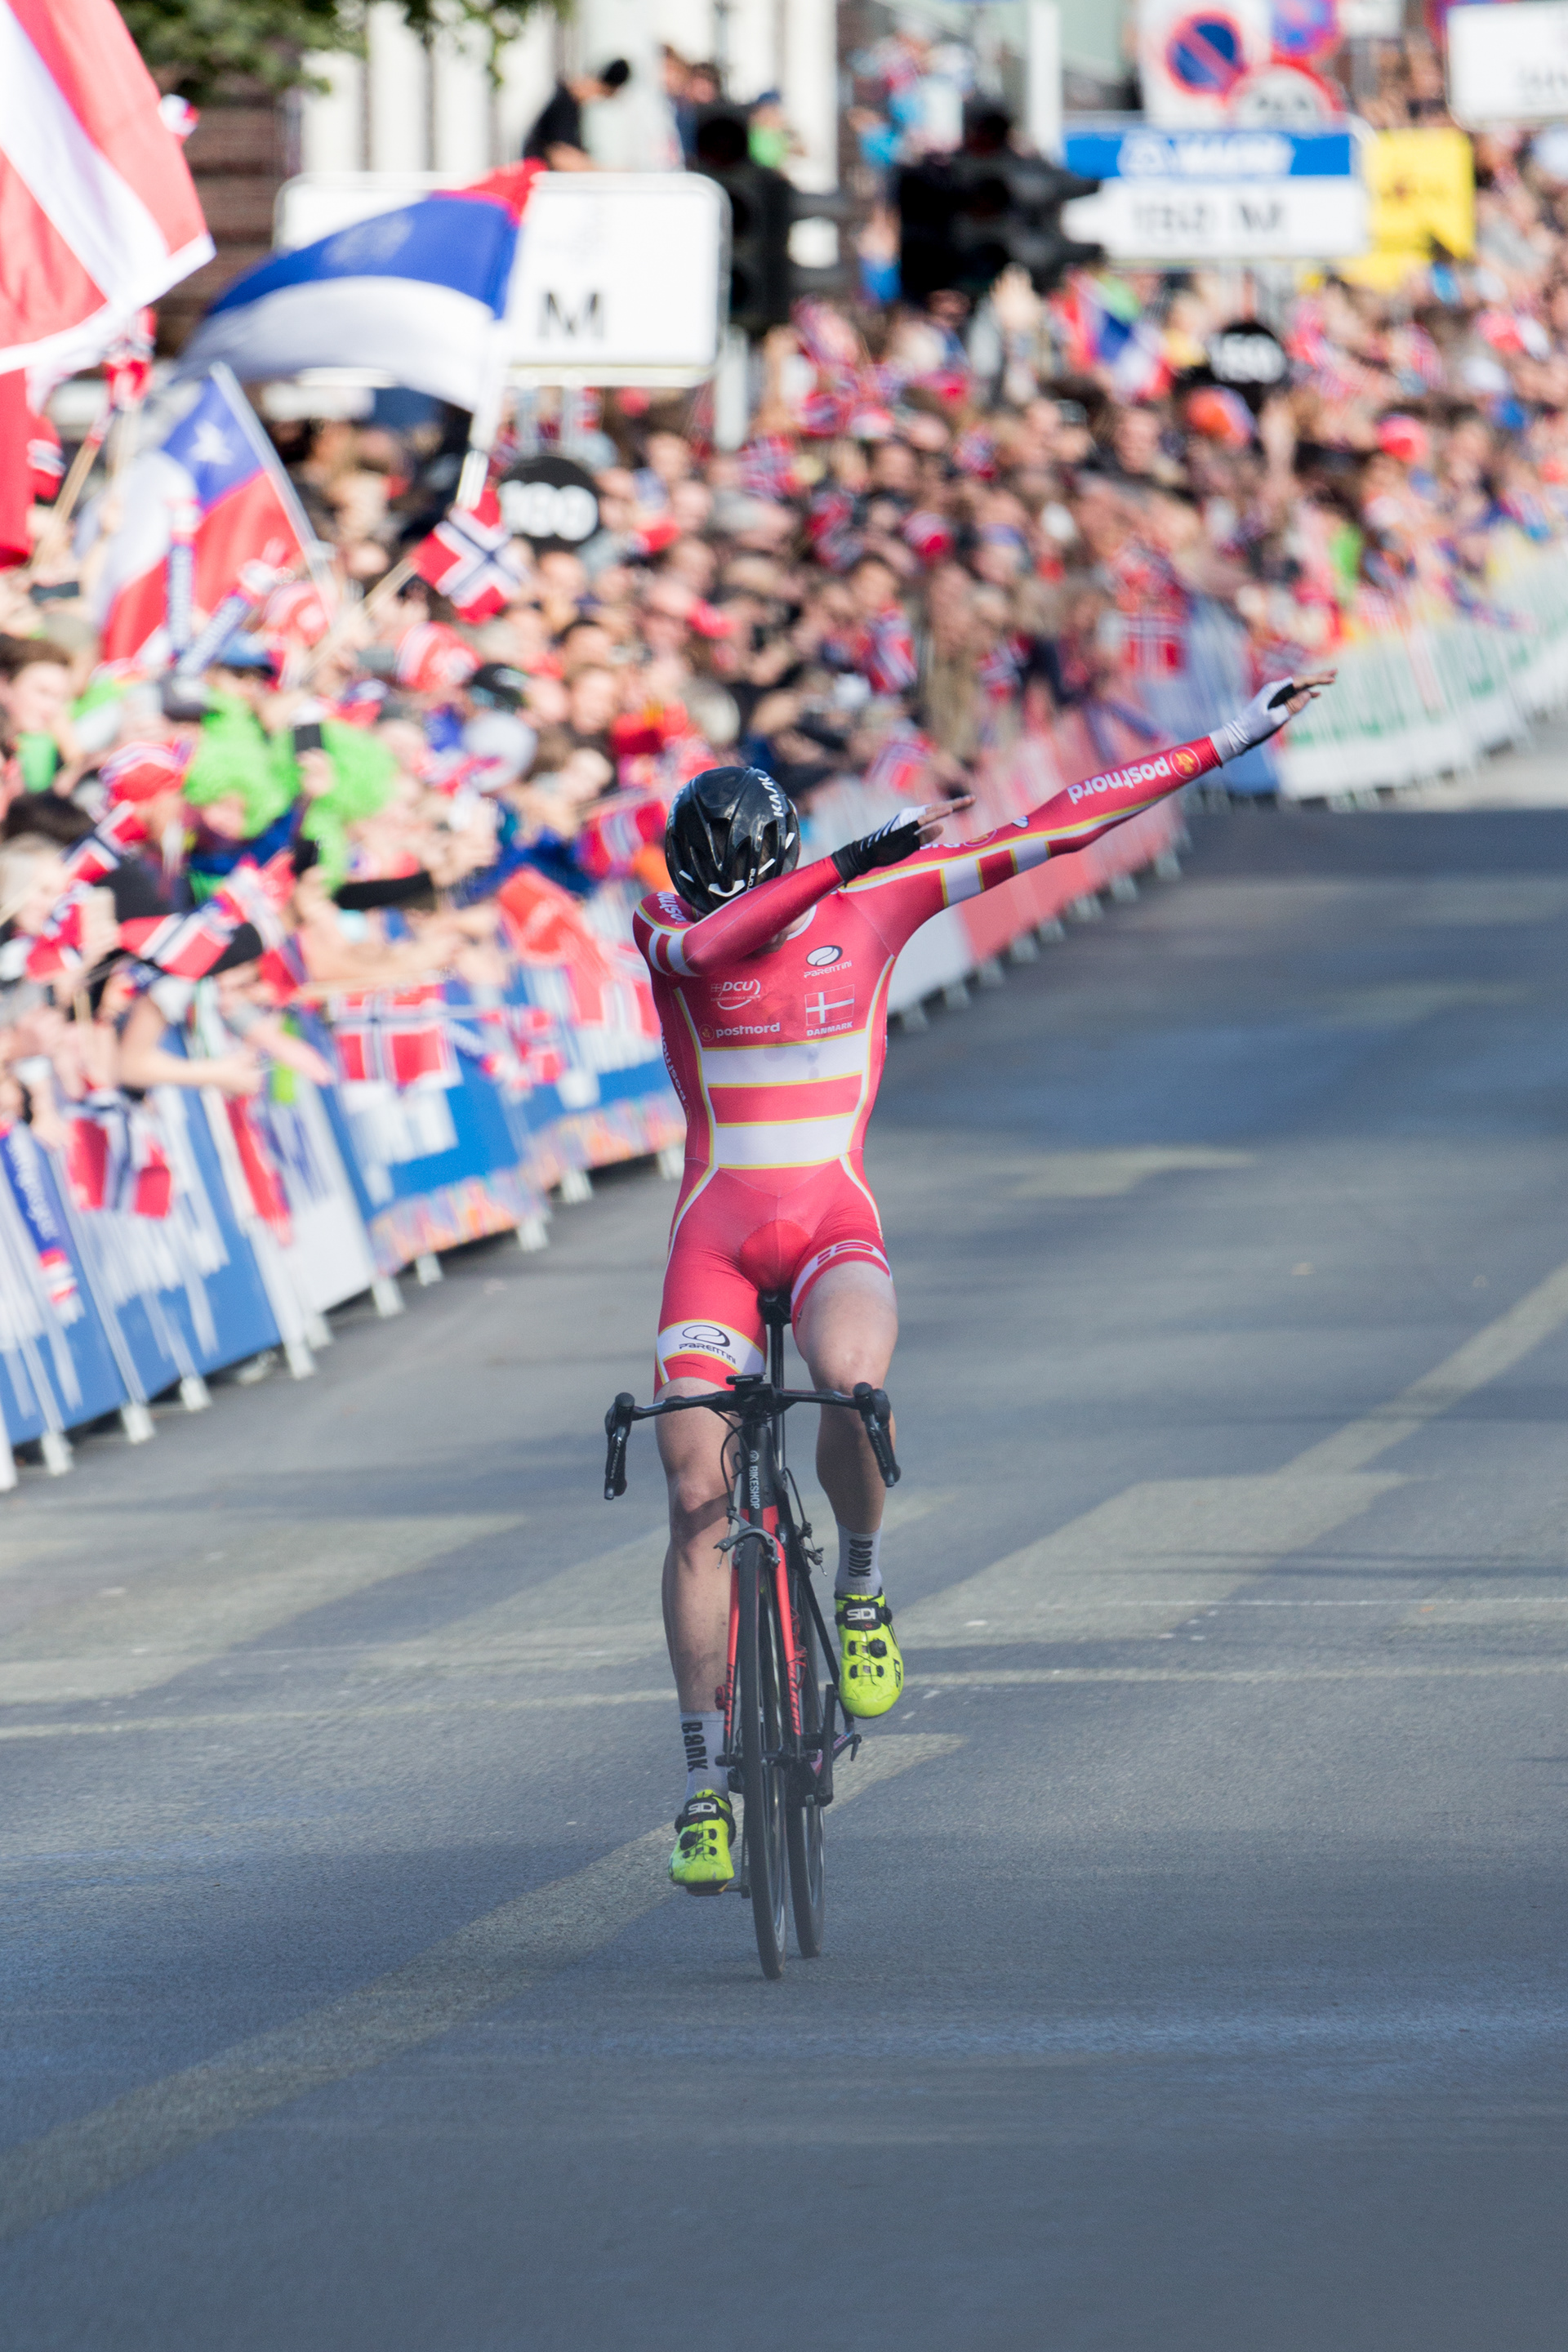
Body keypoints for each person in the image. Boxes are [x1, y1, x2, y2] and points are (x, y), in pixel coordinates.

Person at [637, 673, 1334, 1891]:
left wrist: (1232, 734)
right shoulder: (671, 930)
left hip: (827, 1223)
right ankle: (702, 1782)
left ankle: (859, 1591)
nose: (723, 906)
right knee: (697, 1491)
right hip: (716, 1236)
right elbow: (711, 942)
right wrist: (848, 857)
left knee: (852, 1386)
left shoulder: (879, 908)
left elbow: (1066, 820)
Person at [522, 60, 630, 170]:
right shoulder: (565, 104)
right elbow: (562, 157)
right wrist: (606, 172)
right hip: (541, 176)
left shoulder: (571, 104)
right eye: (603, 94)